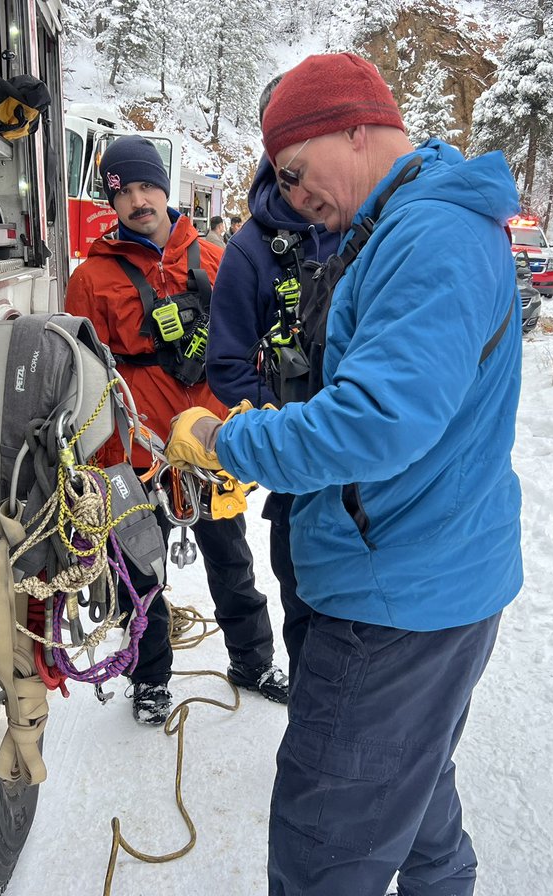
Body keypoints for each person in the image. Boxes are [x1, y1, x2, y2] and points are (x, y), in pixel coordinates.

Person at [166, 53, 523, 896]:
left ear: (356, 126)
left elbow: (376, 420)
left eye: (293, 171)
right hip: (420, 586)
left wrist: (227, 442)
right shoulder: (408, 225)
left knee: (323, 852)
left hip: (391, 604)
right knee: (417, 801)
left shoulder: (430, 236)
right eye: (279, 182)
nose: (291, 196)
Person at [64, 135, 290, 726]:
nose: (138, 201)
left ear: (165, 187)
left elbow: (256, 344)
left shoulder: (217, 259)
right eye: (124, 192)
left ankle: (253, 660)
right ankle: (150, 678)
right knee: (142, 571)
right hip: (136, 452)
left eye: (146, 186)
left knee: (232, 560)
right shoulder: (92, 278)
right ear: (110, 202)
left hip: (209, 445)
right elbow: (84, 374)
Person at [206, 73, 333, 672]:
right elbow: (226, 364)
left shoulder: (372, 225)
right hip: (301, 475)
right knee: (309, 615)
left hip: (377, 479)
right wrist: (291, 430)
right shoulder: (250, 251)